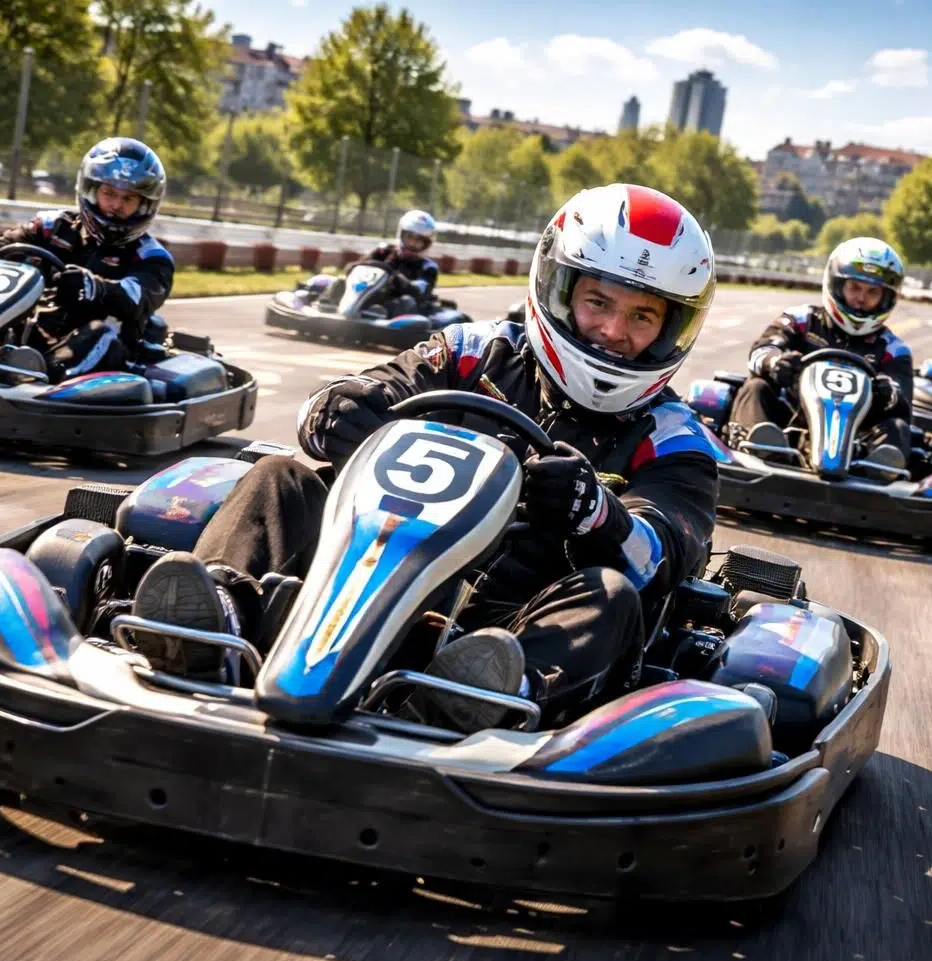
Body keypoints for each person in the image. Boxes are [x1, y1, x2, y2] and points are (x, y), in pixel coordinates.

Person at [130, 183, 723, 733]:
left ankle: (476, 698)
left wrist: (596, 512)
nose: (612, 332)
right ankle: (218, 622)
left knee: (611, 596)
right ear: (559, 289)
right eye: (598, 302)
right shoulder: (470, 351)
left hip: (510, 623)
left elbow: (668, 554)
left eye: (642, 316)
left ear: (673, 329)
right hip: (371, 567)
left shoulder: (674, 439)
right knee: (278, 476)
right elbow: (350, 396)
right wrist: (339, 414)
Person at [0, 137, 174, 381]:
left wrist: (94, 288)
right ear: (91, 191)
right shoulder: (53, 226)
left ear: (145, 204)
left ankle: (34, 380)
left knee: (101, 334)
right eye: (109, 194)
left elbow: (138, 297)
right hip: (23, 337)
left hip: (82, 352)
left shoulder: (152, 257)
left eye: (128, 198)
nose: (116, 205)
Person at [727, 237, 912, 468]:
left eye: (872, 292)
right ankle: (763, 452)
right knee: (755, 388)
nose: (861, 298)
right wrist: (775, 363)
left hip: (857, 441)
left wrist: (887, 392)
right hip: (788, 424)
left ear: (886, 297)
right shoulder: (801, 320)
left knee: (898, 427)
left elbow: (903, 396)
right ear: (836, 284)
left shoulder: (893, 349)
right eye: (854, 287)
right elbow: (762, 350)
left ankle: (877, 470)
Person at [359, 209, 442, 315]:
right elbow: (358, 267)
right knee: (339, 282)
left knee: (406, 301)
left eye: (419, 241)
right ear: (401, 235)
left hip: (400, 310)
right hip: (370, 296)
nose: (412, 244)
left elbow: (419, 291)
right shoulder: (383, 251)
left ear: (426, 244)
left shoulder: (428, 267)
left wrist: (395, 279)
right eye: (410, 238)